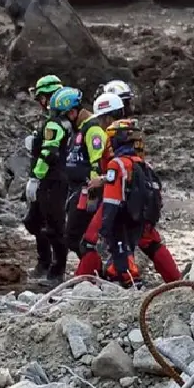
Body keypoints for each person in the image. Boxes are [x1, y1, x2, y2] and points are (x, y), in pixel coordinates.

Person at [75, 119, 181, 286]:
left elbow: (111, 200)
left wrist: (104, 228)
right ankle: (177, 281)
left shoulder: (116, 164)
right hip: (141, 215)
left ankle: (82, 284)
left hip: (121, 215)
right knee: (153, 244)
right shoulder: (143, 164)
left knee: (89, 244)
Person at [25, 86, 80, 284]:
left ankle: (56, 271)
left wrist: (35, 177)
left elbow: (49, 153)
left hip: (51, 181)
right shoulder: (61, 123)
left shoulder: (55, 124)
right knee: (36, 221)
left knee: (54, 226)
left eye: (41, 97)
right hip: (53, 179)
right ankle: (47, 263)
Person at [65, 92, 114, 270]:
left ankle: (93, 273)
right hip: (77, 189)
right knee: (75, 237)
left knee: (78, 237)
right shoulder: (79, 130)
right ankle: (94, 272)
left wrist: (94, 192)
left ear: (71, 113)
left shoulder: (92, 129)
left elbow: (97, 162)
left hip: (88, 190)